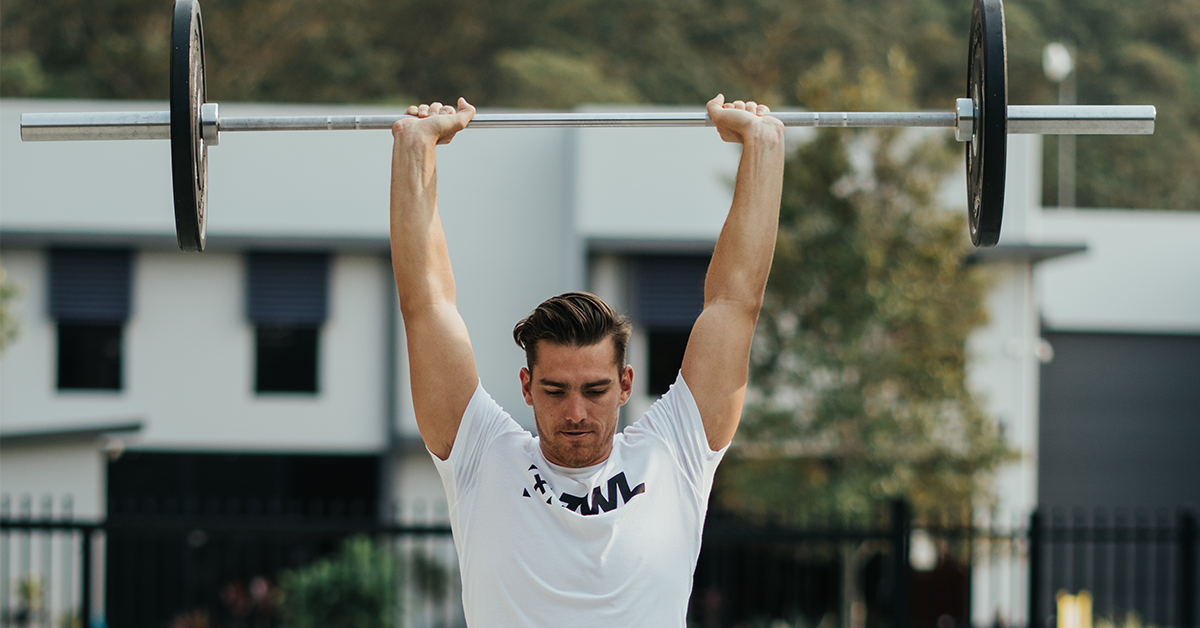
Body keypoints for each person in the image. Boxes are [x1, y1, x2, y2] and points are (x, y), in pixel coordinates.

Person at [389, 94, 784, 626]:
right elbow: (426, 305)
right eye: (555, 391)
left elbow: (736, 304)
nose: (575, 413)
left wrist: (762, 145)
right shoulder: (483, 458)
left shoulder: (674, 454)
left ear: (625, 384)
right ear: (527, 386)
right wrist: (415, 149)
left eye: (594, 390)